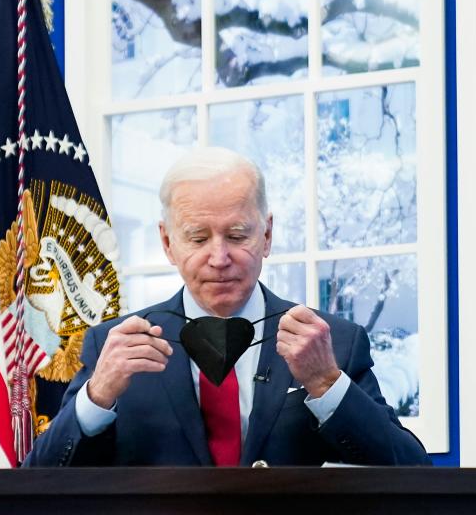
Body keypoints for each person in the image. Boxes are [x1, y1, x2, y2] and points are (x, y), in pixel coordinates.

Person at [27, 147, 430, 467]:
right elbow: (39, 482)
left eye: (237, 235)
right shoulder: (112, 346)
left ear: (267, 235)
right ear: (168, 243)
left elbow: (411, 471)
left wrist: (326, 384)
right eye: (198, 238)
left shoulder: (335, 342)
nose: (219, 258)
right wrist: (97, 396)